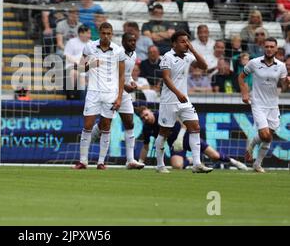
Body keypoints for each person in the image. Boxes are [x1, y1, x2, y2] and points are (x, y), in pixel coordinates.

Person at [155, 30, 212, 173]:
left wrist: (192, 48)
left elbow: (204, 66)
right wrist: (178, 93)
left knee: (195, 127)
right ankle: (160, 165)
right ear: (174, 43)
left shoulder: (188, 56)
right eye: (182, 41)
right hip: (169, 101)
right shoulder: (167, 57)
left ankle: (197, 164)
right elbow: (166, 78)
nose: (185, 44)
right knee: (164, 132)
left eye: (187, 41)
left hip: (184, 100)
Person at [73, 22, 125, 170]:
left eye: (109, 33)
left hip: (110, 94)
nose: (106, 36)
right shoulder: (89, 47)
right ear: (99, 33)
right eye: (104, 33)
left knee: (106, 127)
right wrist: (91, 65)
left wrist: (119, 97)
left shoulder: (118, 51)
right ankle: (83, 161)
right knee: (88, 125)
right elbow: (80, 68)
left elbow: (122, 76)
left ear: (112, 34)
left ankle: (101, 162)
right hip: (93, 92)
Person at [90, 33, 145, 169]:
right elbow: (110, 74)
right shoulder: (116, 53)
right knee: (105, 125)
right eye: (130, 40)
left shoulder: (134, 55)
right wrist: (125, 85)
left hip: (125, 93)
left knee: (129, 122)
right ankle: (87, 144)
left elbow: (127, 75)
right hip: (110, 91)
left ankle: (130, 160)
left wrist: (131, 83)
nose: (133, 43)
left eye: (134, 40)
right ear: (123, 42)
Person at [137, 106, 247, 170]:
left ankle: (234, 162)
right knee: (177, 166)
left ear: (150, 111)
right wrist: (140, 161)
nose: (145, 118)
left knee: (215, 156)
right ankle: (189, 160)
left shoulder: (162, 114)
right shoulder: (147, 128)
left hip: (187, 137)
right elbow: (145, 146)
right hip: (175, 146)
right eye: (143, 118)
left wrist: (180, 137)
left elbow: (184, 122)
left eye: (146, 114)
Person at [239, 37, 289, 173]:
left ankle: (257, 164)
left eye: (272, 47)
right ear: (263, 48)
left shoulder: (281, 66)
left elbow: (284, 86)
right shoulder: (254, 63)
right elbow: (241, 77)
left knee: (268, 136)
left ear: (276, 49)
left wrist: (287, 82)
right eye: (267, 46)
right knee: (266, 135)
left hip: (273, 105)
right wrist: (244, 93)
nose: (269, 49)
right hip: (258, 103)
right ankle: (253, 145)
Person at [64, 24, 91, 99]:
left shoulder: (91, 44)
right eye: (88, 33)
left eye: (90, 33)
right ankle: (71, 95)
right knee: (75, 73)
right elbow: (67, 55)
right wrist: (77, 62)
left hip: (87, 66)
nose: (90, 35)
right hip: (73, 65)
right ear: (81, 33)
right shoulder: (72, 42)